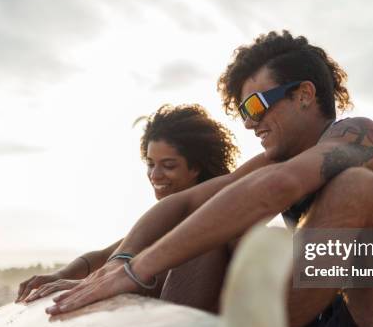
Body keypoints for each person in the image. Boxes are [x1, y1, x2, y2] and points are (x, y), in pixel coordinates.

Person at [44, 31, 373, 327]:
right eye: (243, 112)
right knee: (218, 215)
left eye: (256, 106)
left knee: (355, 187)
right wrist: (104, 263)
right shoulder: (281, 159)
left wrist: (140, 269)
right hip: (329, 326)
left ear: (304, 95)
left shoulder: (360, 137)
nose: (249, 123)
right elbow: (187, 204)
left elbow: (279, 188)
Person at [15, 104, 239, 313]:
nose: (155, 175)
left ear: (197, 167)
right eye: (150, 164)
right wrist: (60, 275)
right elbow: (106, 255)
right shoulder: (165, 223)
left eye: (168, 165)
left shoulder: (215, 223)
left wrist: (96, 285)